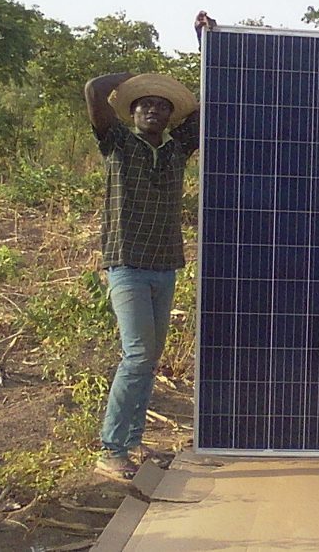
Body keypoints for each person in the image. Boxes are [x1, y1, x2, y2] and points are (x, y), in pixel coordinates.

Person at [85, 66, 202, 480]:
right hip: (127, 265)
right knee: (136, 356)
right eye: (144, 104)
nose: (153, 110)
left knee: (149, 359)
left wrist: (204, 41)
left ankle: (131, 443)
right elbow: (94, 89)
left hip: (165, 265)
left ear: (170, 118)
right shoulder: (117, 143)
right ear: (131, 113)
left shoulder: (174, 151)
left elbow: (204, 113)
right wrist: (131, 75)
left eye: (161, 106)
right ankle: (111, 449)